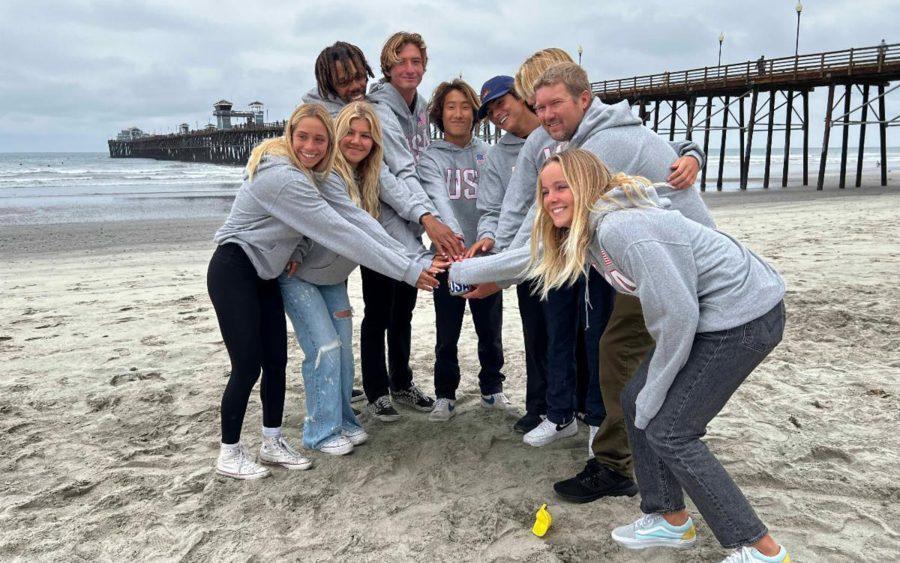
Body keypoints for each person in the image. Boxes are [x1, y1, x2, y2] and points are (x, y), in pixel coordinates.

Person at [529, 148, 789, 563]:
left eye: (562, 187)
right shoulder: (588, 227)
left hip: (744, 317)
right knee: (636, 400)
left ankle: (761, 550)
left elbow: (678, 316)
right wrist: (465, 273)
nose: (552, 198)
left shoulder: (620, 229)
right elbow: (530, 258)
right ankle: (669, 518)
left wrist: (658, 392)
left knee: (671, 429)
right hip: (714, 316)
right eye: (545, 191)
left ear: (588, 187)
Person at [208, 103, 438, 477]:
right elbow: (338, 230)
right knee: (248, 365)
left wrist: (413, 259)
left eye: (319, 140)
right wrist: (409, 270)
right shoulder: (282, 177)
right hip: (235, 268)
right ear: (289, 135)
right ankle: (229, 453)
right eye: (303, 138)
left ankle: (272, 441)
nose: (311, 147)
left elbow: (357, 218)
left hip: (266, 273)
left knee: (276, 363)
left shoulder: (318, 173)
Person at [279, 102, 443, 454]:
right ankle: (320, 431)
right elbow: (357, 229)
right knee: (324, 348)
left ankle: (343, 420)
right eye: (350, 133)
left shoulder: (366, 176)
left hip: (332, 277)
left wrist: (419, 254)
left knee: (342, 352)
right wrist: (411, 267)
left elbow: (383, 222)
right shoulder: (331, 175)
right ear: (337, 135)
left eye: (365, 135)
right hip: (300, 276)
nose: (357, 141)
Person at [302, 40, 451, 419]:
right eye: (344, 81)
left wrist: (422, 216)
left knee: (403, 310)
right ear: (326, 82)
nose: (354, 86)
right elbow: (383, 174)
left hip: (404, 221)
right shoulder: (328, 115)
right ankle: (376, 390)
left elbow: (401, 167)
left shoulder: (376, 108)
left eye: (357, 77)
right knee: (377, 311)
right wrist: (425, 216)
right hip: (370, 225)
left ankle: (401, 382)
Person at [416, 79, 506, 421]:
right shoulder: (430, 157)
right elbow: (438, 202)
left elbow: (494, 206)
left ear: (476, 113)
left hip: (485, 257)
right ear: (440, 113)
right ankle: (444, 394)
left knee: (490, 330)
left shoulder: (488, 155)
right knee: (447, 331)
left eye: (465, 106)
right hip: (448, 260)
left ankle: (492, 389)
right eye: (451, 107)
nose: (458, 113)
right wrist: (456, 247)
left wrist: (483, 246)